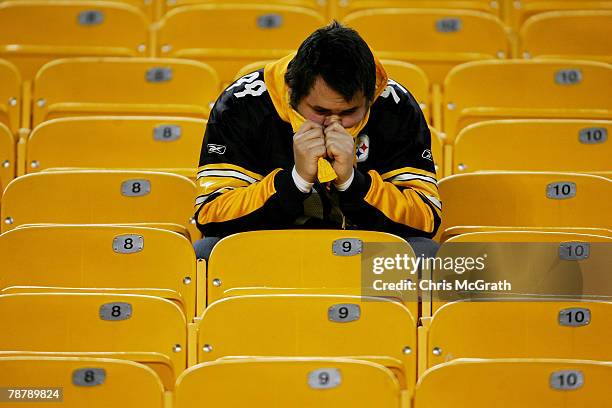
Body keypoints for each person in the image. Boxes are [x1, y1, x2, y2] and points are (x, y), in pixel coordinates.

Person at [194, 21, 441, 259]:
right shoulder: (242, 103)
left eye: (348, 113)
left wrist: (353, 183)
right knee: (207, 252)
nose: (334, 124)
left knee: (431, 256)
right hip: (270, 251)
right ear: (292, 90)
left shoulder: (395, 106)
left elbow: (425, 219)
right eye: (320, 112)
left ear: (371, 97)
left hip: (364, 256)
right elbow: (211, 216)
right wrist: (295, 181)